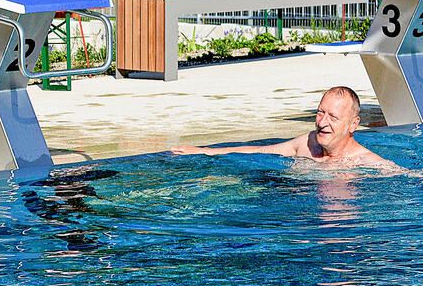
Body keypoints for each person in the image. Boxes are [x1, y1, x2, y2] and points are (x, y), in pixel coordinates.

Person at [171, 86, 400, 171]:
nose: (322, 122)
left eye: (332, 117)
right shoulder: (307, 143)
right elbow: (260, 151)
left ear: (353, 125)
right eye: (320, 112)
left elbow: (405, 177)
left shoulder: (366, 161)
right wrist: (203, 150)